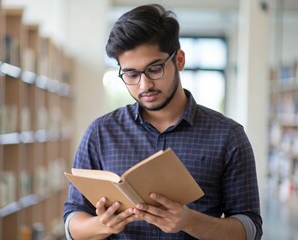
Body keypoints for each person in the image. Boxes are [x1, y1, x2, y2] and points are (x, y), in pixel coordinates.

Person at [63, 3, 262, 240]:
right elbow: (72, 221)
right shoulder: (100, 132)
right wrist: (103, 225)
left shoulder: (228, 136)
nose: (144, 85)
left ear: (179, 60)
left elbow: (250, 230)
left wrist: (190, 221)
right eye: (131, 74)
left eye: (155, 68)